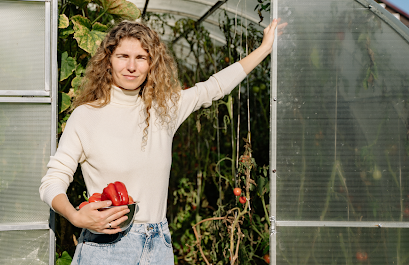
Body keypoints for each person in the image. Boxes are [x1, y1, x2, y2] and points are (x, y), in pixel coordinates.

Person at [39, 18, 285, 264]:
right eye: (123, 56)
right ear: (108, 61)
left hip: (158, 245)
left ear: (152, 64)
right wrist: (75, 216)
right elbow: (53, 181)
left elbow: (213, 88)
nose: (131, 66)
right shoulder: (86, 116)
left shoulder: (164, 109)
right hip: (106, 247)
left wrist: (265, 48)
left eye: (142, 58)